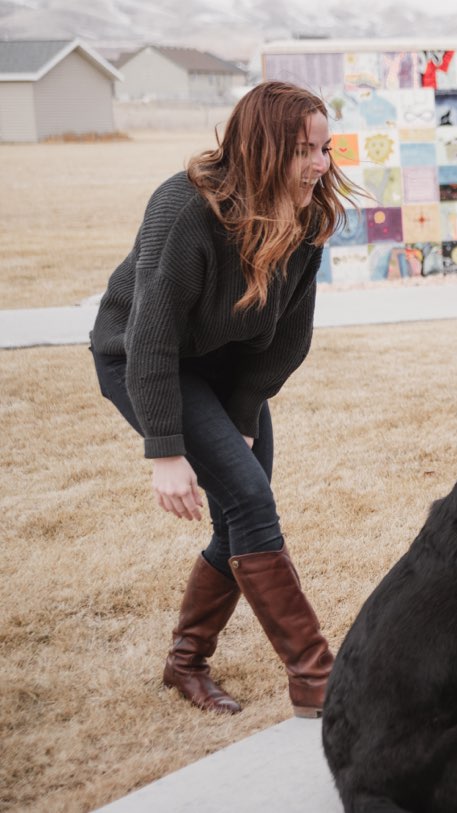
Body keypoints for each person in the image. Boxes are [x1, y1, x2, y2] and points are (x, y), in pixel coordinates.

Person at [90, 81, 358, 718]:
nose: (321, 165)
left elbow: (289, 337)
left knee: (239, 514)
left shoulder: (308, 215)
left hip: (225, 369)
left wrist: (240, 415)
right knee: (251, 499)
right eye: (304, 151)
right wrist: (165, 450)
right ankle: (319, 681)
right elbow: (149, 336)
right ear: (263, 148)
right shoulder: (185, 208)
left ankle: (185, 662)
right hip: (146, 360)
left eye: (324, 148)